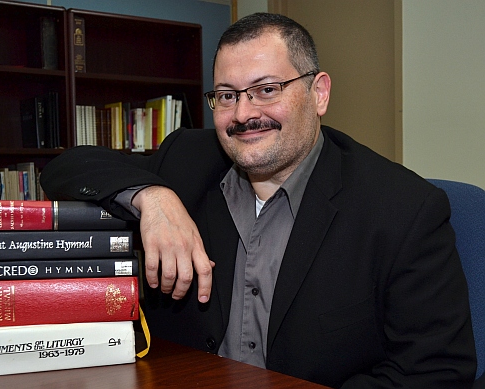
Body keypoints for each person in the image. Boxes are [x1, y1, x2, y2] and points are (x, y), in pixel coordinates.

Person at [40, 12, 476, 388]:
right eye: (227, 95)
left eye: (267, 89)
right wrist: (154, 198)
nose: (245, 114)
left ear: (318, 93)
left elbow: (436, 371)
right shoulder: (186, 160)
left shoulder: (403, 208)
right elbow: (66, 168)